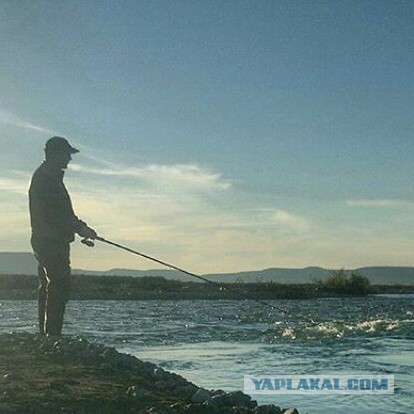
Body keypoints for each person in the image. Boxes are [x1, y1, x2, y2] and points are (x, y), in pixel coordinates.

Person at [29, 136, 97, 337]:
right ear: (55, 153)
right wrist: (81, 228)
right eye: (67, 154)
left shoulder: (47, 177)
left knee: (49, 286)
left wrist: (80, 228)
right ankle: (52, 336)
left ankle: (47, 336)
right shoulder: (46, 179)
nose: (69, 159)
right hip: (51, 241)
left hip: (46, 239)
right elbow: (60, 214)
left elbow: (61, 214)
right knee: (59, 284)